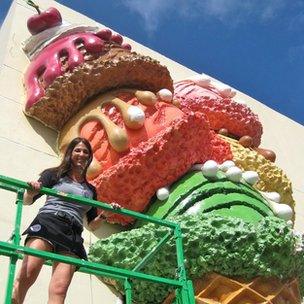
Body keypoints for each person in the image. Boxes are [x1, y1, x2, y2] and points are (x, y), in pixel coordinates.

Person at [12, 137, 117, 304]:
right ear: (70, 153)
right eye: (78, 150)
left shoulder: (91, 190)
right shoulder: (53, 174)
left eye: (86, 152)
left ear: (89, 157)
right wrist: (31, 191)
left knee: (59, 290)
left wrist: (104, 215)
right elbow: (26, 200)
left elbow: (92, 226)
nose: (81, 154)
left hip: (73, 232)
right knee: (28, 272)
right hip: (49, 222)